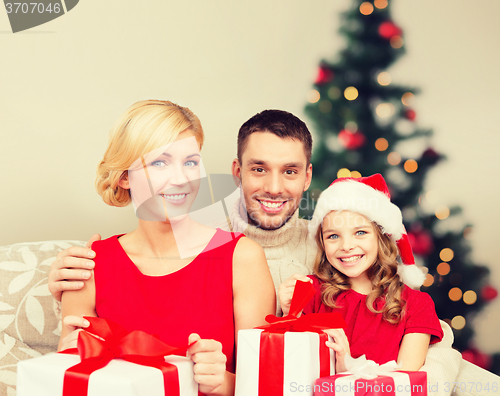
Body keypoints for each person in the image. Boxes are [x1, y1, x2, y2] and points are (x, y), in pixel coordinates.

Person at [50, 109, 496, 396]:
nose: (275, 188)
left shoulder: (338, 247)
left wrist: (414, 382)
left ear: (307, 178)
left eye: (290, 172)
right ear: (236, 172)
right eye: (259, 170)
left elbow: (413, 320)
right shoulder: (211, 243)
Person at [58, 100, 275, 396]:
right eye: (160, 162)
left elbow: (263, 387)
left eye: (191, 162)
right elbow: (70, 378)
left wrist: (220, 382)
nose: (182, 178)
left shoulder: (242, 258)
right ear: (124, 177)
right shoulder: (89, 266)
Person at [279, 173, 443, 373]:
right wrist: (290, 313)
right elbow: (289, 366)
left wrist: (347, 367)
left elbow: (404, 382)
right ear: (322, 243)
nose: (346, 246)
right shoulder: (311, 291)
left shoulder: (416, 305)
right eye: (333, 236)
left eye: (360, 232)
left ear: (381, 237)